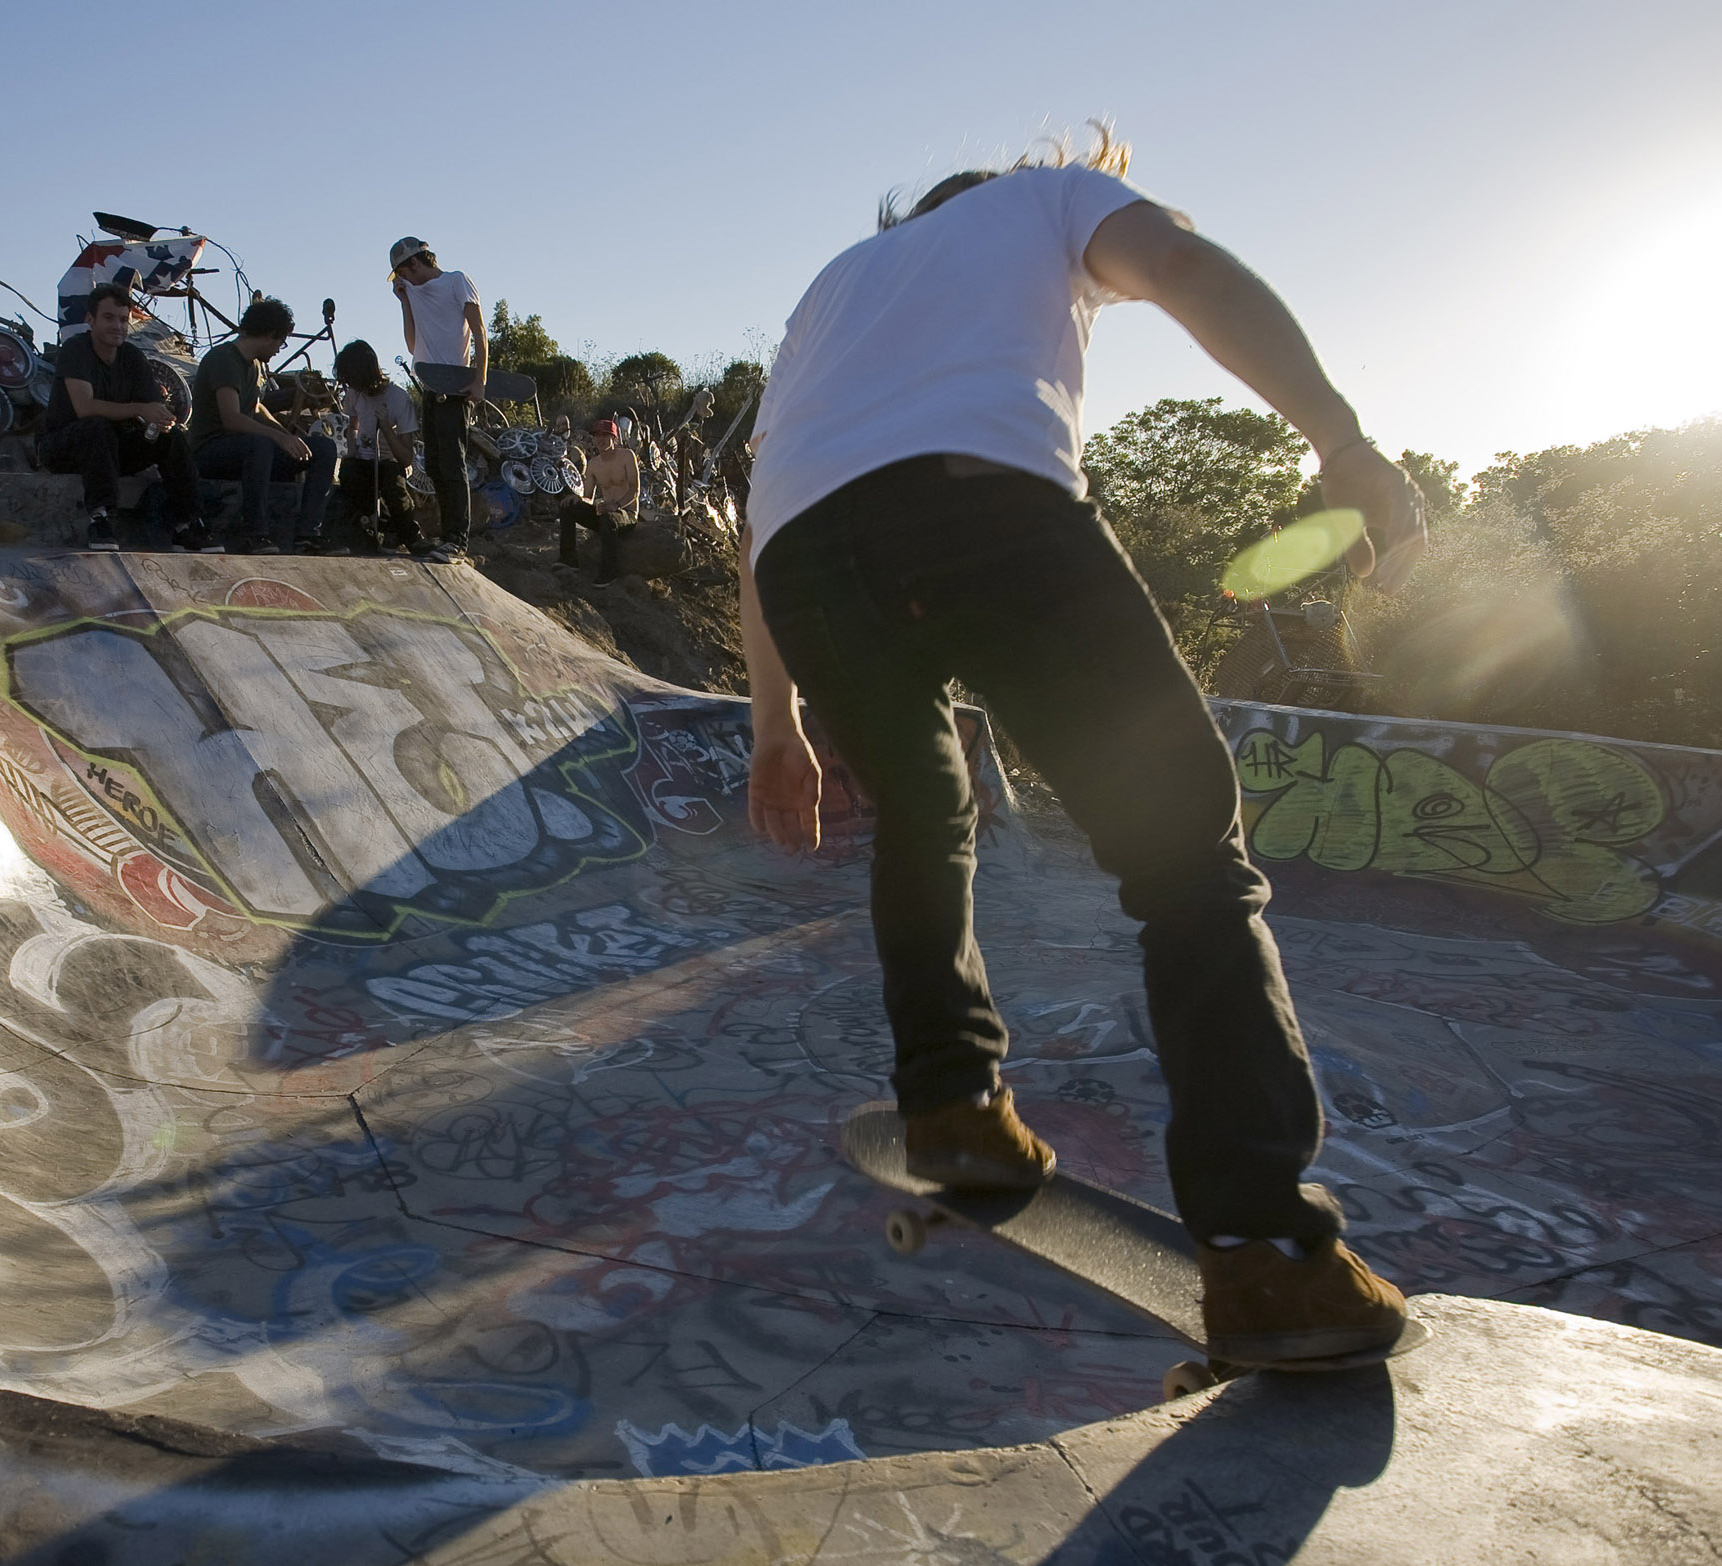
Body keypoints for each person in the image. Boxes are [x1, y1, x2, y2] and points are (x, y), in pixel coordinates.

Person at [739, 131, 1430, 1370]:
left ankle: (953, 1109)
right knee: (1188, 865)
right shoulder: (1047, 199)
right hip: (980, 505)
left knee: (922, 809)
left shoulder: (835, 284)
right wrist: (1338, 435)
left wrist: (773, 725)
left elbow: (771, 496)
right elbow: (1184, 265)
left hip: (809, 564)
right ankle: (1268, 1256)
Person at [40, 283, 210, 550]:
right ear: (90, 319)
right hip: (66, 447)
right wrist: (139, 409)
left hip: (113, 450)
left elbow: (152, 405)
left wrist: (160, 419)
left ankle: (188, 523)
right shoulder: (76, 349)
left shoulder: (132, 356)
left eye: (122, 319)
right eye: (108, 318)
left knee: (172, 439)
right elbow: (85, 407)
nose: (117, 326)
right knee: (96, 426)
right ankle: (101, 518)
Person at [189, 297, 338, 554]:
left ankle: (308, 534)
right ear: (270, 335)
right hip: (211, 450)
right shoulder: (223, 359)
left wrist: (288, 436)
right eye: (281, 342)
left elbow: (256, 408)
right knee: (259, 445)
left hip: (251, 450)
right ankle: (255, 534)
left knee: (323, 449)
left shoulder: (255, 365)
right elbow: (232, 418)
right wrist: (277, 439)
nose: (280, 349)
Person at [389, 236, 487, 558]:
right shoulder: (413, 293)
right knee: (433, 464)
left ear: (414, 263)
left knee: (452, 465)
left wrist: (479, 379)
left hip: (455, 388)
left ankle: (458, 540)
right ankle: (447, 537)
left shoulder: (456, 282)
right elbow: (412, 345)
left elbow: (479, 331)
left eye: (402, 274)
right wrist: (404, 302)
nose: (402, 281)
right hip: (429, 387)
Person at [333, 339, 423, 553]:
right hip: (364, 459)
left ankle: (410, 535)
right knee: (349, 472)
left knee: (393, 484)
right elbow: (352, 426)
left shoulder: (398, 399)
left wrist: (386, 428)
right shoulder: (355, 392)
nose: (353, 388)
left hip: (390, 460)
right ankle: (369, 524)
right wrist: (352, 451)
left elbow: (406, 458)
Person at [558, 418, 640, 586]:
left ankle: (609, 572)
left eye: (605, 435)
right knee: (568, 506)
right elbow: (589, 496)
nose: (600, 439)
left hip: (626, 513)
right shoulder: (593, 464)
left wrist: (616, 505)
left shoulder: (626, 456)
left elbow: (634, 489)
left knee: (608, 518)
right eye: (597, 436)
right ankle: (568, 558)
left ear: (614, 439)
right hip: (604, 513)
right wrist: (578, 498)